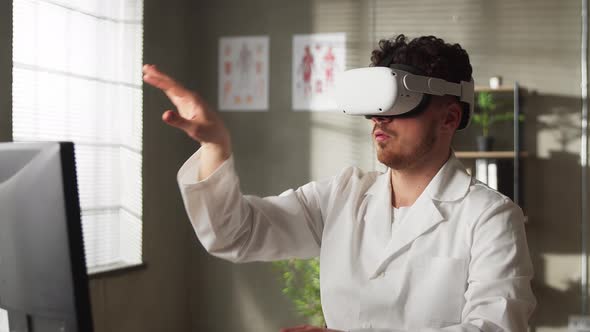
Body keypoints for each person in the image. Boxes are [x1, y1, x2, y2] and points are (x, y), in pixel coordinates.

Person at [143, 34, 536, 332]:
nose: (378, 120)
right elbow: (236, 234)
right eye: (374, 107)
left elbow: (493, 327)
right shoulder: (343, 196)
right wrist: (216, 145)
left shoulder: (491, 217)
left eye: (397, 106)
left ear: (450, 118)